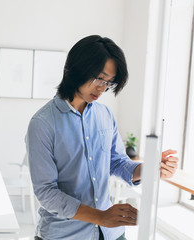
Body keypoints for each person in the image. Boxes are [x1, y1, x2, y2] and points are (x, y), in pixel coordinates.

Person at [25, 35, 179, 240]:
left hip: (110, 233)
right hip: (64, 235)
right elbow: (46, 193)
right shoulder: (42, 123)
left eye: (109, 82)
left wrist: (151, 168)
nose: (102, 88)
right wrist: (100, 217)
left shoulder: (105, 115)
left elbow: (116, 162)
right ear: (76, 69)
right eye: (99, 78)